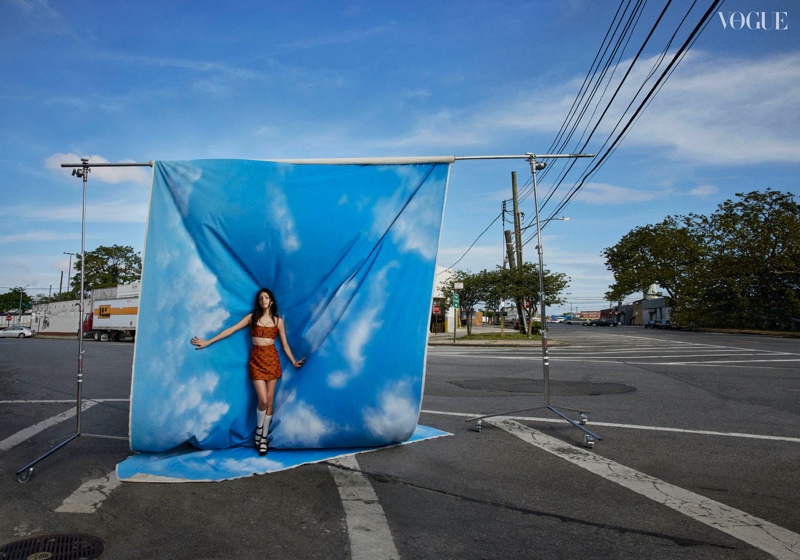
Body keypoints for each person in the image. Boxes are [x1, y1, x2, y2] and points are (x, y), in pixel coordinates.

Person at [191, 288, 305, 455]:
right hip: (256, 360)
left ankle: (263, 437)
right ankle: (259, 430)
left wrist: (294, 361)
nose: (263, 300)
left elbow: (285, 345)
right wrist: (208, 341)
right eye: (261, 298)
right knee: (263, 400)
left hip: (272, 361)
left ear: (271, 301)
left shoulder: (278, 321)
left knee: (270, 400)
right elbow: (231, 329)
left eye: (266, 297)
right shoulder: (252, 318)